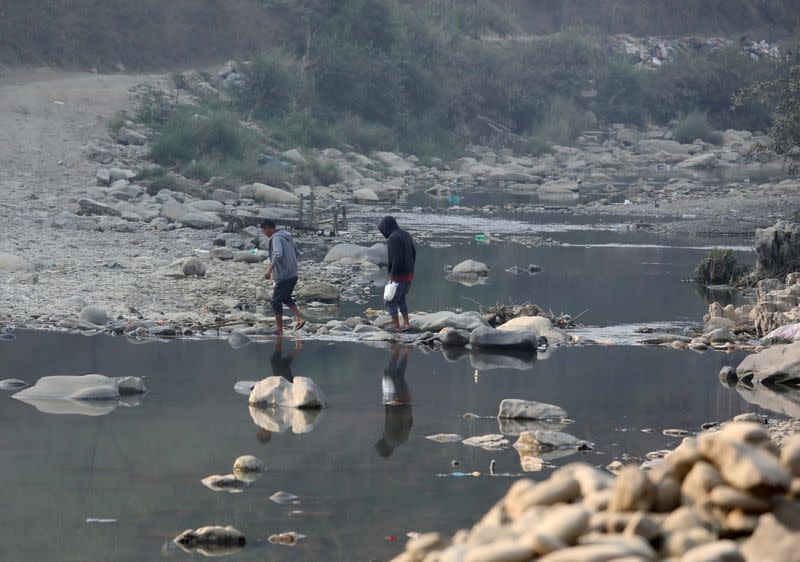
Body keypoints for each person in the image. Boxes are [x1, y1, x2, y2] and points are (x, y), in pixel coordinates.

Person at [260, 219, 305, 335]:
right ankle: (299, 318)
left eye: (264, 231)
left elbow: (277, 254)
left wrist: (269, 269)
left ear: (268, 228)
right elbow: (297, 252)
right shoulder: (288, 236)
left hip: (285, 275)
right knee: (285, 297)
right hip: (293, 272)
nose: (264, 234)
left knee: (275, 301)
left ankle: (279, 329)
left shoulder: (276, 238)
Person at [378, 216, 416, 331]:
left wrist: (393, 275)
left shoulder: (393, 237)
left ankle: (396, 326)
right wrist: (411, 268)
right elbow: (413, 252)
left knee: (390, 301)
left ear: (387, 227)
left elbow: (396, 258)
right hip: (408, 273)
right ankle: (406, 323)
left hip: (398, 274)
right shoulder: (405, 234)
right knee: (401, 298)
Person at [375, 344, 413, 459]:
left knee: (400, 375)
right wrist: (390, 401)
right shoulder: (390, 438)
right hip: (395, 402)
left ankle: (406, 351)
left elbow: (410, 423)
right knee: (389, 373)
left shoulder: (402, 440)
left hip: (406, 404)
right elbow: (392, 418)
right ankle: (397, 348)